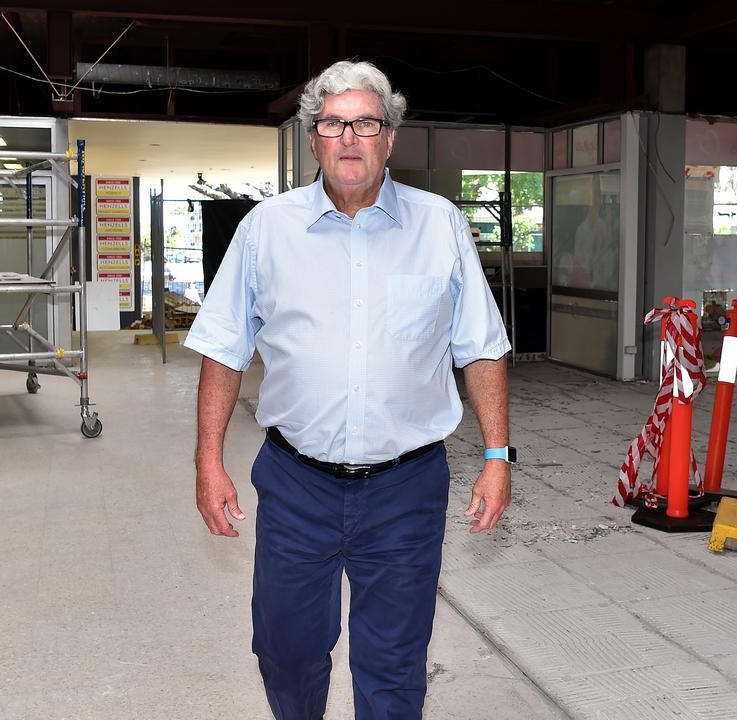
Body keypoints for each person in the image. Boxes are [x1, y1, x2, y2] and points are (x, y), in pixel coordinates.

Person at [186, 60, 514, 720]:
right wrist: (207, 460)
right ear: (314, 138)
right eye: (333, 123)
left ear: (389, 137)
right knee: (286, 647)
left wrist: (497, 457)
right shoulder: (266, 230)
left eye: (365, 122)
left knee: (393, 664)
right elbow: (224, 349)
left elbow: (479, 347)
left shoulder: (438, 225)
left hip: (404, 489)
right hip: (296, 483)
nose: (349, 137)